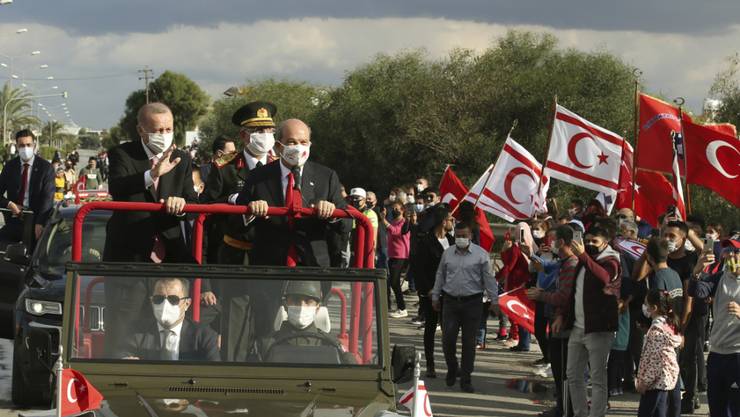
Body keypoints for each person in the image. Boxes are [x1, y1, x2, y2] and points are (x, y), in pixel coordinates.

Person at [104, 102, 198, 354]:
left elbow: (193, 199)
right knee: (124, 330)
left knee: (166, 330)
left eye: (169, 129)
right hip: (130, 259)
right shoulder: (122, 154)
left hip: (169, 261)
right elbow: (118, 188)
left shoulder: (182, 158)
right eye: (158, 130)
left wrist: (183, 203)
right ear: (141, 130)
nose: (164, 135)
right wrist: (151, 174)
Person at [234, 118, 349, 266]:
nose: (298, 147)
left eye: (303, 142)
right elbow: (236, 222)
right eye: (291, 142)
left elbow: (346, 223)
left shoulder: (326, 176)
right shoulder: (258, 176)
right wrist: (250, 210)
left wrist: (332, 213)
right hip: (269, 267)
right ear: (278, 146)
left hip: (312, 265)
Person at [202, 102, 278, 266]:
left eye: (270, 130)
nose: (266, 135)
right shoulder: (224, 167)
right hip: (235, 255)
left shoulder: (280, 167)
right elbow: (206, 206)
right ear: (244, 135)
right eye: (259, 131)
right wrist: (232, 200)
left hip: (272, 254)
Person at [431, 222, 498, 393]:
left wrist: (494, 300)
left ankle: (466, 379)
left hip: (473, 303)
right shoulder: (448, 254)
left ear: (471, 236)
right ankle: (453, 367)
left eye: (464, 235)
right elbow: (440, 275)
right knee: (448, 340)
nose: (460, 238)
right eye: (458, 235)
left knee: (469, 343)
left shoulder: (481, 255)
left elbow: (489, 279)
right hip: (450, 302)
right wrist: (435, 296)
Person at [565, 226, 621, 417]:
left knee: (597, 379)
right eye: (586, 240)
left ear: (605, 242)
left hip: (598, 330)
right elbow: (573, 292)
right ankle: (580, 413)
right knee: (573, 375)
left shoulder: (611, 260)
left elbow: (604, 277)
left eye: (594, 241)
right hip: (578, 328)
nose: (589, 244)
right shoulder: (583, 260)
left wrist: (583, 256)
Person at [527, 224, 579, 417]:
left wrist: (542, 296)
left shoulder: (571, 265)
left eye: (553, 240)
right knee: (558, 370)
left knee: (564, 371)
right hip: (558, 321)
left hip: (565, 325)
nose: (551, 244)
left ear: (562, 242)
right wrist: (531, 254)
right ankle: (562, 407)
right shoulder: (563, 262)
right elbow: (545, 266)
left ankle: (566, 410)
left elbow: (564, 297)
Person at [688, 236, 740, 417]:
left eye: (736, 251)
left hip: (737, 356)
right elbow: (696, 291)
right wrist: (697, 271)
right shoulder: (719, 278)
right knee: (717, 409)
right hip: (717, 354)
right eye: (728, 251)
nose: (731, 255)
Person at [115, 277, 219, 361]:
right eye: (158, 299)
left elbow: (214, 374)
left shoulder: (204, 335)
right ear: (151, 302)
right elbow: (121, 354)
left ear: (187, 303)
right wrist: (125, 361)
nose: (165, 305)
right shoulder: (135, 332)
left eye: (173, 299)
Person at [260, 280, 354, 364]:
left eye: (309, 301)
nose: (302, 307)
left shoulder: (330, 344)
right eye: (296, 301)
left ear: (317, 307)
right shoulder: (267, 344)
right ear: (285, 305)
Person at [409, 204, 454, 378]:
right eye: (450, 220)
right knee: (430, 327)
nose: (452, 222)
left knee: (449, 330)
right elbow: (419, 268)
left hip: (449, 292)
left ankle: (452, 364)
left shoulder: (451, 240)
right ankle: (430, 364)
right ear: (443, 222)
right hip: (431, 291)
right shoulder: (426, 241)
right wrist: (428, 289)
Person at [0, 129, 55, 247]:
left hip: (36, 221)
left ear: (34, 145)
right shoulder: (10, 166)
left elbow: (48, 197)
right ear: (17, 146)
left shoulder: (46, 168)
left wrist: (40, 223)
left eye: (28, 145)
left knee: (34, 256)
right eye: (22, 145)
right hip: (14, 219)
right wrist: (9, 204)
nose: (25, 148)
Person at [636, 289, 683, 417]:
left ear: (654, 308)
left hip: (655, 383)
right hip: (662, 381)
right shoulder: (668, 324)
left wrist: (644, 382)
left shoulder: (656, 332)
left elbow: (656, 362)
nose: (644, 307)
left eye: (646, 304)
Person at [382, 200, 411, 318]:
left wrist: (383, 219)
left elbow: (395, 232)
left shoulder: (404, 223)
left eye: (397, 208)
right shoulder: (393, 221)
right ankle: (397, 306)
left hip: (401, 255)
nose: (395, 210)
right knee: (392, 282)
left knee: (394, 282)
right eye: (393, 208)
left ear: (403, 210)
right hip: (392, 255)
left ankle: (402, 308)